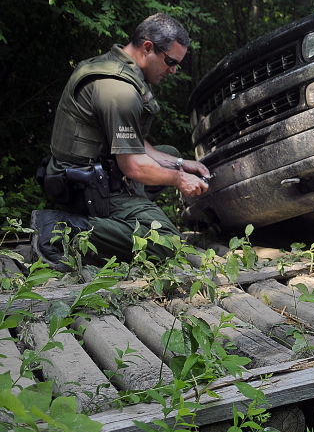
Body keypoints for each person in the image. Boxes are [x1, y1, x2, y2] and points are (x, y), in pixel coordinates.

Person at [31, 13, 210, 270]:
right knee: (169, 243)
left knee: (169, 155)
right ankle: (60, 229)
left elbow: (134, 141)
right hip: (85, 185)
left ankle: (123, 220)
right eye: (170, 61)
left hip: (95, 170)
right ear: (148, 47)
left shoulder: (112, 65)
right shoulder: (120, 90)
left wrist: (181, 164)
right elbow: (133, 167)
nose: (173, 70)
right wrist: (180, 180)